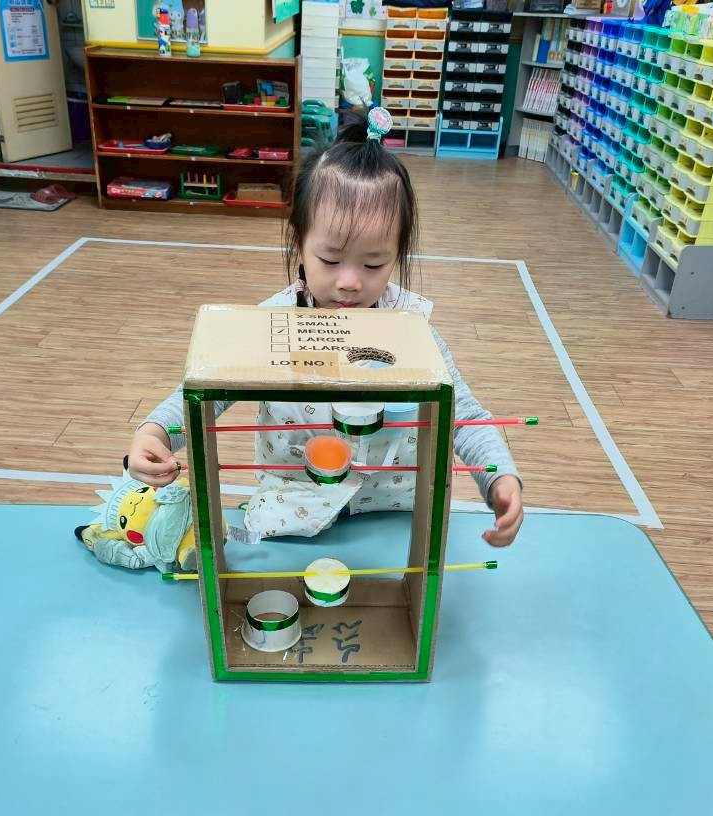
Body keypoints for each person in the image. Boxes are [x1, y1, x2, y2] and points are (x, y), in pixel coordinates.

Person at [124, 108, 524, 547]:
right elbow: (208, 388)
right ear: (299, 242)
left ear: (398, 254)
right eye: (330, 259)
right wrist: (157, 432)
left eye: (374, 264)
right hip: (294, 506)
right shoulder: (269, 323)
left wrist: (499, 478)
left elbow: (464, 415)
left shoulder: (411, 326)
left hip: (393, 511)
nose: (350, 282)